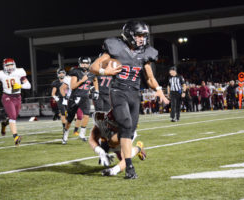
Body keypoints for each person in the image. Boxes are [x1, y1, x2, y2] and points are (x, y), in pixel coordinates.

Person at [90, 20, 169, 179]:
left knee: (126, 132)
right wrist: (106, 72)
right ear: (129, 35)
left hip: (134, 94)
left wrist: (159, 90)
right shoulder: (115, 47)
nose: (142, 39)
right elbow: (93, 67)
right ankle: (130, 168)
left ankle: (129, 155)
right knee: (125, 123)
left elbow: (150, 77)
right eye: (139, 35)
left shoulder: (145, 53)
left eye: (144, 36)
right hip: (118, 91)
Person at [88, 110, 146, 176]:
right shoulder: (100, 118)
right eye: (111, 125)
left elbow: (126, 160)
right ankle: (115, 149)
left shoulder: (126, 130)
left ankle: (138, 148)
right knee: (111, 144)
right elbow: (92, 139)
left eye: (115, 127)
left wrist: (113, 170)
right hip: (107, 139)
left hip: (122, 137)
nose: (111, 127)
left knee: (124, 156)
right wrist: (100, 151)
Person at [62, 57, 99, 144]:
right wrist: (82, 80)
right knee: (70, 119)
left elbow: (95, 80)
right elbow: (72, 86)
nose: (84, 65)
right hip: (75, 97)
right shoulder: (76, 72)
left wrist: (96, 91)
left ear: (89, 64)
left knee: (86, 115)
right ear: (79, 63)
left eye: (86, 63)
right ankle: (65, 135)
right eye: (83, 63)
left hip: (85, 97)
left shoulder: (91, 72)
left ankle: (82, 134)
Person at [0, 58, 31, 145]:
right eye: (7, 65)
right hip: (7, 96)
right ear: (4, 66)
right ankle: (15, 137)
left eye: (11, 65)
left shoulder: (19, 72)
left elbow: (28, 85)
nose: (9, 67)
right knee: (12, 117)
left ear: (14, 64)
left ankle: (4, 124)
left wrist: (20, 86)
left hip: (18, 97)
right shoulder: (0, 74)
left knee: (14, 117)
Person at [59, 72, 83, 136]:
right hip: (71, 99)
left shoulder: (83, 77)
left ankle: (75, 131)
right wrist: (65, 96)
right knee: (70, 117)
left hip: (80, 98)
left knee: (80, 116)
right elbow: (62, 88)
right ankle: (66, 130)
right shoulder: (68, 78)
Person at [51, 68, 67, 133]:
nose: (61, 74)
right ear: (57, 74)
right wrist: (57, 99)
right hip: (61, 99)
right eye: (60, 73)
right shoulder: (56, 82)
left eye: (63, 73)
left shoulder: (69, 80)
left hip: (69, 98)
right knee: (63, 113)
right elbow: (53, 93)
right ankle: (64, 128)